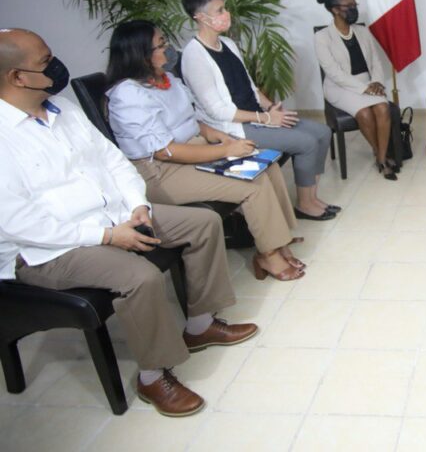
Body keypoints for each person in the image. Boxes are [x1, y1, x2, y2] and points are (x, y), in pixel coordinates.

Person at [0, 28, 258, 417]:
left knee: (203, 223)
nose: (56, 66)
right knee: (140, 277)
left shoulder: (64, 109)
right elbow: (18, 223)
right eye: (45, 61)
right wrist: (106, 235)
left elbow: (114, 161)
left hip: (115, 214)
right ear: (17, 77)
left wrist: (137, 204)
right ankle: (154, 377)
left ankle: (200, 324)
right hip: (50, 248)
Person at [106, 19, 305, 281]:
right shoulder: (128, 95)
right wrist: (226, 150)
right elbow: (166, 151)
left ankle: (280, 240)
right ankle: (268, 255)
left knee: (266, 164)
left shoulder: (167, 80)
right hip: (160, 172)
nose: (168, 48)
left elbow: (191, 121)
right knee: (253, 184)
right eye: (161, 44)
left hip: (192, 150)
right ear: (140, 54)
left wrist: (219, 137)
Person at [179, 0, 336, 221]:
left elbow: (250, 86)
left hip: (258, 116)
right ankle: (304, 204)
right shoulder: (194, 56)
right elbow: (218, 111)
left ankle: (311, 197)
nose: (227, 14)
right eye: (220, 10)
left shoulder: (227, 44)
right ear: (200, 17)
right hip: (234, 127)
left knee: (322, 132)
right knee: (306, 142)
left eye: (225, 8)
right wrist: (267, 119)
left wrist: (271, 107)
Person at [314, 0, 398, 181]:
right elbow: (334, 72)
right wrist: (364, 88)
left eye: (355, 5)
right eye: (349, 6)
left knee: (383, 108)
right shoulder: (322, 37)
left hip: (368, 82)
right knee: (364, 113)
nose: (354, 9)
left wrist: (376, 82)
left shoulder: (362, 31)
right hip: (339, 87)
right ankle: (381, 155)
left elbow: (376, 61)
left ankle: (381, 157)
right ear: (335, 9)